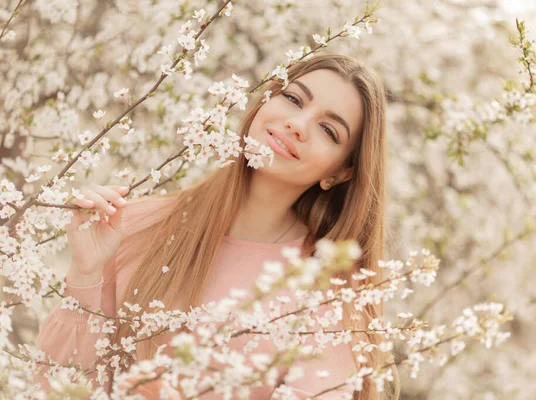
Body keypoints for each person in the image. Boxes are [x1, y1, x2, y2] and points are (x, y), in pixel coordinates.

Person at [35, 54, 400, 399]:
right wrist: (86, 272)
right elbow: (57, 387)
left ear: (340, 172)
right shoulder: (133, 225)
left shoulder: (328, 294)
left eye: (328, 130)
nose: (297, 124)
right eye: (292, 98)